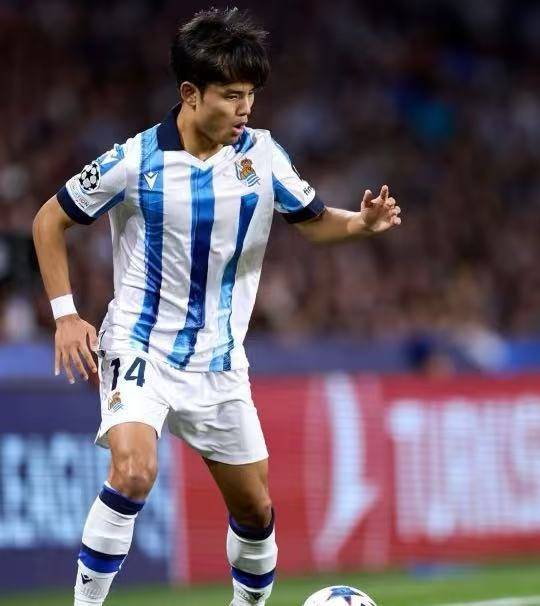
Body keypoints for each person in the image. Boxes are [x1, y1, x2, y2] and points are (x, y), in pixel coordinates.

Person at [32, 8, 401, 606]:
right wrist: (66, 314)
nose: (244, 108)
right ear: (190, 93)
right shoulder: (134, 161)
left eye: (250, 94)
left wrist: (360, 223)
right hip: (140, 347)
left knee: (256, 511)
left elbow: (313, 221)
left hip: (221, 364)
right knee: (133, 471)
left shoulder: (263, 157)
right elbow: (49, 219)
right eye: (231, 95)